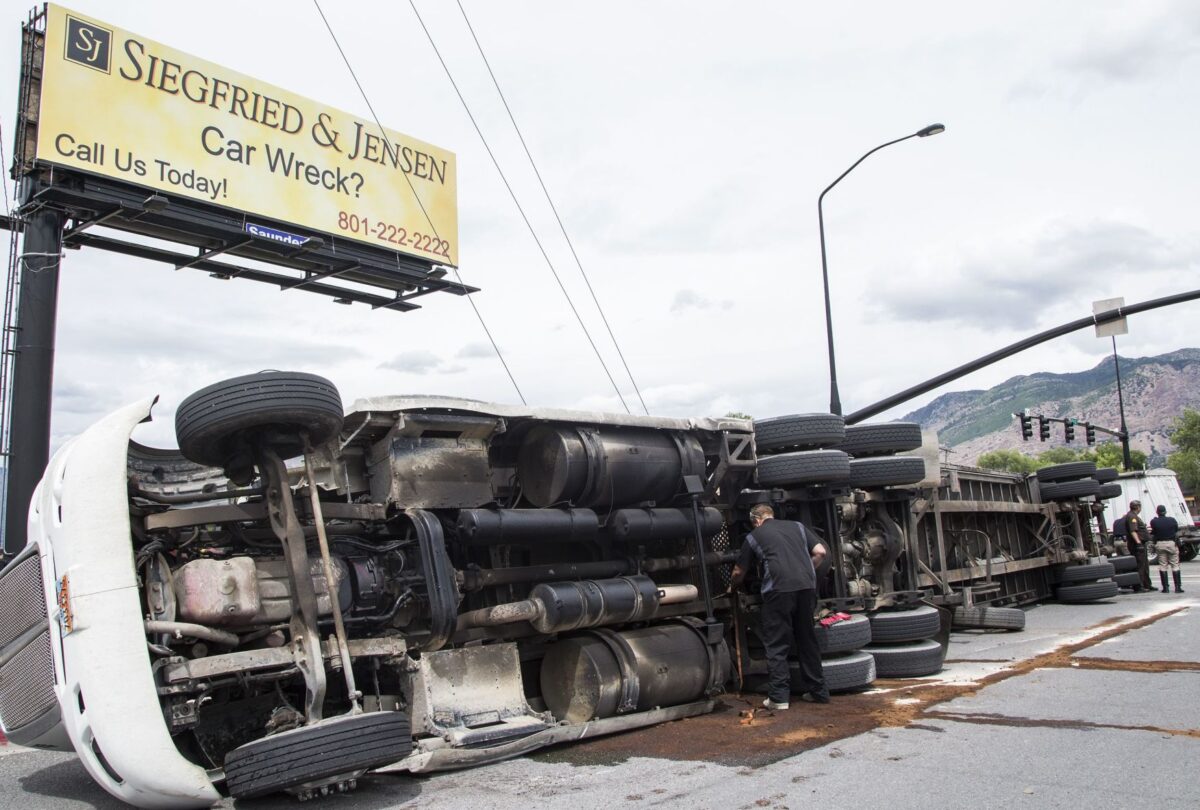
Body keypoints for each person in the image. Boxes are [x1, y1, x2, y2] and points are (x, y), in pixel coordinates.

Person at [728, 503, 829, 710]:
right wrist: (807, 572)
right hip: (806, 587)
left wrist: (732, 586)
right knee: (807, 639)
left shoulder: (754, 535)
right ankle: (819, 692)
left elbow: (739, 571)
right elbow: (820, 552)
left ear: (756, 520)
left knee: (777, 643)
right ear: (771, 515)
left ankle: (779, 697)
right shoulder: (798, 526)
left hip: (778, 591)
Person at [1123, 500, 1157, 592]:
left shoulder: (1134, 516)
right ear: (1138, 507)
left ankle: (1147, 584)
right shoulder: (1132, 517)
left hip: (1141, 544)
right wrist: (1138, 543)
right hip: (1137, 545)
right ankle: (1139, 586)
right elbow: (1133, 531)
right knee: (1140, 566)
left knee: (1145, 565)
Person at [1150, 504, 1184, 593]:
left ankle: (1165, 588)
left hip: (1160, 544)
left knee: (1163, 565)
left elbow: (1153, 532)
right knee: (1175, 565)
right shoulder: (1172, 520)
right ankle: (1177, 587)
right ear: (1165, 512)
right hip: (1171, 543)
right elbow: (1176, 530)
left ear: (1157, 512)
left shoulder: (1154, 521)